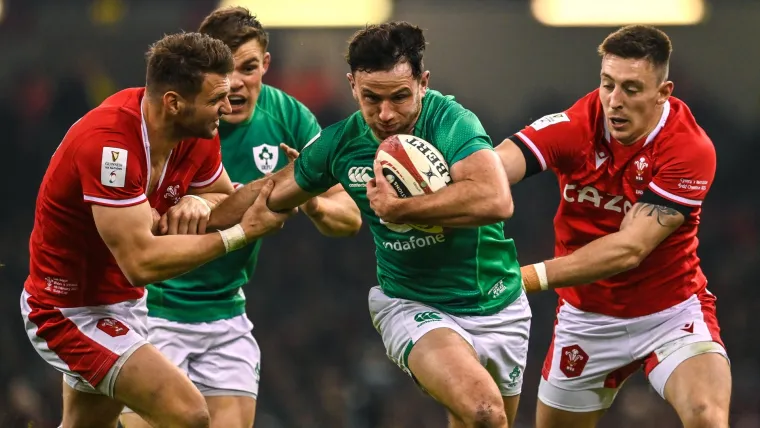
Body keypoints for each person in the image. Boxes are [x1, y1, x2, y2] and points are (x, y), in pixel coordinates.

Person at [207, 21, 531, 428]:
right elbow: (270, 190)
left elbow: (495, 199)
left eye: (399, 97)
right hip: (414, 304)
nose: (385, 114)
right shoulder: (340, 143)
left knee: (480, 421)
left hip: (500, 305)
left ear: (423, 82)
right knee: (484, 412)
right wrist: (196, 216)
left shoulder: (451, 122)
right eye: (371, 98)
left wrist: (402, 209)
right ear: (352, 86)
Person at [21, 32, 292, 428]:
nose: (227, 104)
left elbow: (223, 198)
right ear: (174, 103)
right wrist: (239, 236)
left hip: (126, 304)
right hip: (69, 310)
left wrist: (280, 183)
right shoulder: (109, 146)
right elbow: (140, 263)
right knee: (188, 413)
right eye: (216, 98)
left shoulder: (195, 134)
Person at [119, 8, 361, 428]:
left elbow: (350, 217)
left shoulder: (288, 118)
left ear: (266, 64)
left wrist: (314, 203)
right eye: (224, 73)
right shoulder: (174, 115)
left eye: (248, 68)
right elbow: (131, 219)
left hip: (226, 312)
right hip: (153, 310)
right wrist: (197, 199)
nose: (235, 85)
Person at [496, 25, 730, 428]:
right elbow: (499, 166)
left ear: (664, 92)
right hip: (586, 316)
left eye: (631, 89)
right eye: (608, 85)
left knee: (706, 416)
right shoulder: (576, 125)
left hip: (670, 312)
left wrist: (525, 278)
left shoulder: (689, 148)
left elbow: (629, 249)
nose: (614, 102)